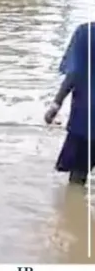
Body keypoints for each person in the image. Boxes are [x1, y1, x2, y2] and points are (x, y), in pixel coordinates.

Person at [45, 21, 94, 185]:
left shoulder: (85, 33)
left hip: (86, 121)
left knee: (78, 179)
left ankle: (74, 208)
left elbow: (74, 72)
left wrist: (55, 105)